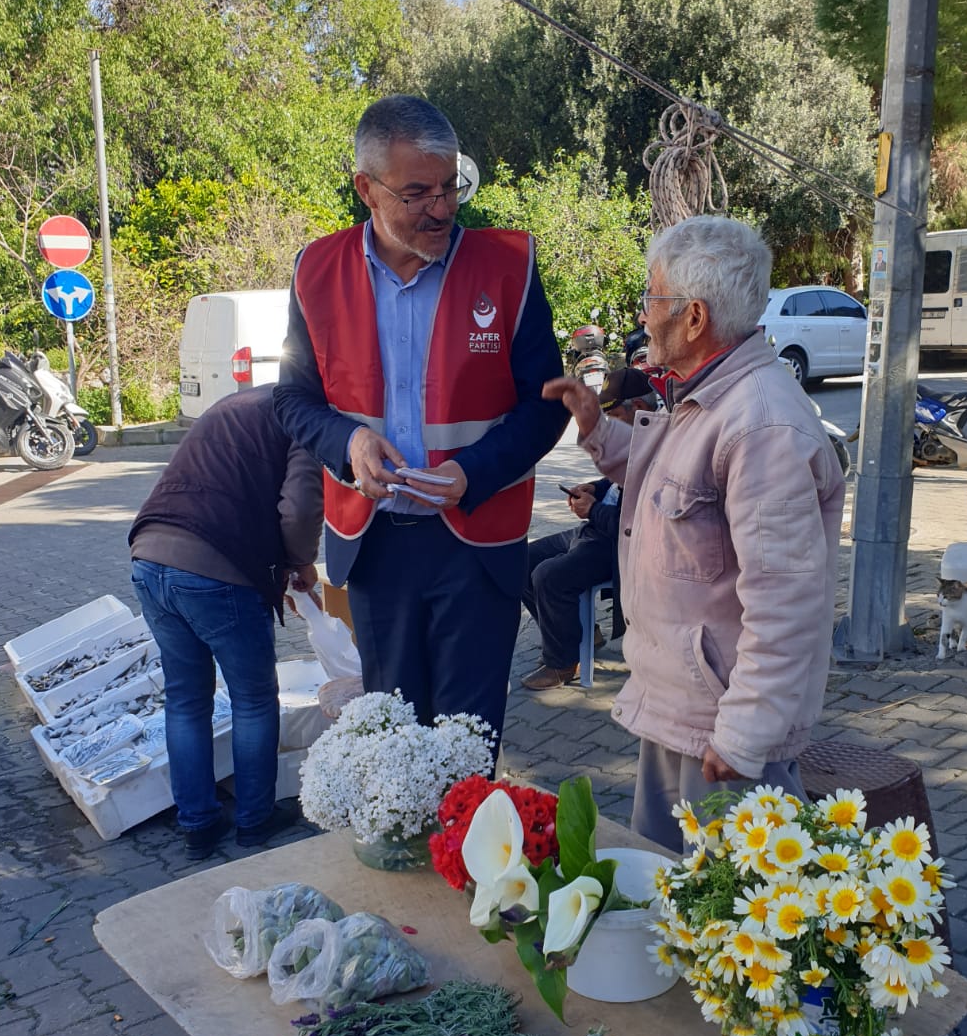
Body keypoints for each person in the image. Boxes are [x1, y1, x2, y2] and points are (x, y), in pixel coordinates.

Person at [273, 95, 566, 750]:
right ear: (366, 190)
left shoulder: (508, 268)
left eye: (449, 187)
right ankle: (408, 854)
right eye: (416, 194)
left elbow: (546, 403)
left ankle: (467, 852)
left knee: (467, 744)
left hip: (477, 544)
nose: (441, 209)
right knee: (395, 740)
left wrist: (474, 470)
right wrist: (348, 441)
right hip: (375, 547)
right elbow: (292, 400)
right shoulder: (315, 272)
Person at [543, 216, 845, 848]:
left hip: (721, 730)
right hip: (680, 708)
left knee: (731, 924)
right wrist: (599, 428)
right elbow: (671, 486)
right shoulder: (710, 394)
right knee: (666, 898)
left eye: (653, 300)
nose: (645, 316)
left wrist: (746, 733)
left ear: (695, 318)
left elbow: (787, 602)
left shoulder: (760, 426)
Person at [129, 385, 322, 859]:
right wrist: (300, 562)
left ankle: (197, 825)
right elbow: (298, 507)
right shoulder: (305, 417)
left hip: (148, 556)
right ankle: (255, 820)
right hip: (216, 570)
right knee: (254, 699)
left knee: (185, 698)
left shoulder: (236, 404)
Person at [520, 367, 658, 690]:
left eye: (613, 414)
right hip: (596, 527)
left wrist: (592, 510)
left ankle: (563, 663)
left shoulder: (657, 446)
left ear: (638, 407)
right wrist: (595, 489)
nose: (607, 424)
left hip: (615, 544)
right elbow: (614, 481)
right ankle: (578, 636)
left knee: (547, 576)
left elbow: (633, 525)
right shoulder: (634, 435)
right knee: (523, 561)